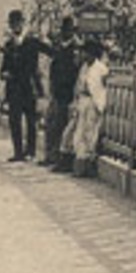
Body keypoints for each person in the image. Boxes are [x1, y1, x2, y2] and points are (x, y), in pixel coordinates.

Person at [0, 10, 49, 162]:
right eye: (13, 23)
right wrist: (5, 74)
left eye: (18, 22)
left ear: (23, 23)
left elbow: (51, 51)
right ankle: (18, 152)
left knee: (31, 121)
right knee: (14, 121)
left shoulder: (33, 42)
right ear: (10, 25)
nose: (16, 25)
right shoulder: (8, 45)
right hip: (14, 89)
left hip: (30, 87)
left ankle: (31, 152)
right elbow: (3, 68)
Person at [43, 17, 83, 170]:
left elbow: (76, 71)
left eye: (69, 29)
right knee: (51, 123)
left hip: (68, 92)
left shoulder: (76, 48)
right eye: (64, 29)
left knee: (62, 126)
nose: (65, 32)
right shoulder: (59, 46)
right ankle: (51, 155)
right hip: (56, 90)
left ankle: (60, 158)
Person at [68, 39, 111, 177]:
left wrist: (100, 103)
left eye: (85, 52)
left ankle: (87, 166)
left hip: (93, 102)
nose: (83, 55)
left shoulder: (101, 68)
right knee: (78, 132)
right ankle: (79, 165)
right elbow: (79, 85)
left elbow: (103, 87)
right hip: (83, 101)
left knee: (90, 133)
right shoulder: (84, 67)